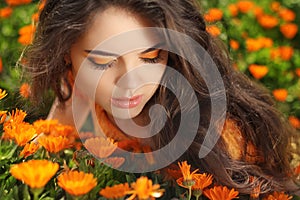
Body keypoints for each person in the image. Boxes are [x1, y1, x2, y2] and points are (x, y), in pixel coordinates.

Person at [22, 0, 299, 197]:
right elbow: (42, 152)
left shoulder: (218, 137)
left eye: (151, 57)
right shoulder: (76, 89)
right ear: (64, 54)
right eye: (103, 62)